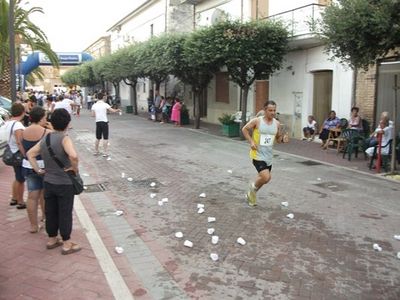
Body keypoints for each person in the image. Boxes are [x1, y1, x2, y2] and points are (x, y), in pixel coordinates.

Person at [27, 108, 81, 255]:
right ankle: (66, 243)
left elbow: (30, 153)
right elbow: (73, 156)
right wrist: (74, 169)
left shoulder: (46, 138)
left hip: (49, 182)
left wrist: (38, 170)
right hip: (64, 184)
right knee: (65, 212)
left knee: (50, 212)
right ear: (67, 123)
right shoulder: (65, 138)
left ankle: (52, 239)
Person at [242, 100, 282, 207]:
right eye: (270, 110)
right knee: (265, 177)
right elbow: (244, 129)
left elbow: (278, 138)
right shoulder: (257, 121)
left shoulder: (277, 124)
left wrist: (283, 139)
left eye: (274, 110)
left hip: (268, 155)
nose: (273, 113)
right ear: (265, 110)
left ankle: (252, 192)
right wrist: (251, 142)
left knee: (267, 179)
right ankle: (252, 190)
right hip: (257, 154)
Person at [22, 107, 51, 233]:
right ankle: (45, 219)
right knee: (45, 195)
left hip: (29, 165)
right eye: (45, 117)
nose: (46, 119)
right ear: (40, 118)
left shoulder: (23, 131)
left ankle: (33, 226)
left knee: (32, 196)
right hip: (44, 166)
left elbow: (22, 147)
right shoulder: (46, 132)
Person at [4, 103, 26, 209]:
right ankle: (20, 201)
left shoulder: (7, 123)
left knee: (17, 177)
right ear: (22, 112)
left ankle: (14, 198)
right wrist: (25, 154)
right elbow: (19, 142)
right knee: (20, 179)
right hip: (17, 153)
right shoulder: (17, 125)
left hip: (11, 152)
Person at [91, 92, 121, 157]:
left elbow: (92, 115)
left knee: (98, 137)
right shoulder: (105, 104)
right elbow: (112, 111)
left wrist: (98, 115)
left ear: (97, 97)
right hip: (104, 122)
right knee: (105, 138)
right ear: (103, 97)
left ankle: (96, 151)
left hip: (98, 122)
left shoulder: (94, 105)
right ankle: (105, 152)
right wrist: (117, 110)